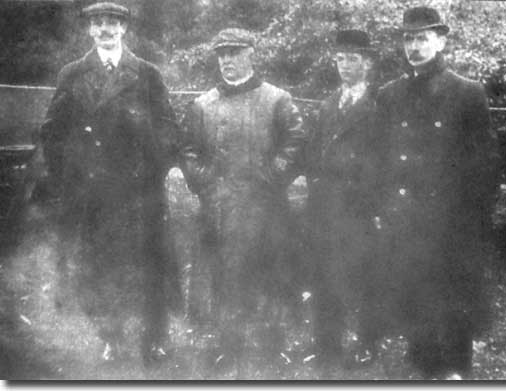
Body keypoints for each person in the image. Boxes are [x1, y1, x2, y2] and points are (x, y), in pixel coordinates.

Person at [40, 1, 182, 366]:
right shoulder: (72, 73)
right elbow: (52, 133)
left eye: (112, 23)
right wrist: (70, 176)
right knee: (100, 266)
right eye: (98, 23)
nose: (105, 29)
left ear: (124, 29)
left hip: (139, 191)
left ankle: (154, 340)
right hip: (93, 191)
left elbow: (169, 129)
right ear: (89, 30)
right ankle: (111, 339)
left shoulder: (147, 73)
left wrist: (152, 169)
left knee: (149, 265)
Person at [369, 6, 499, 379]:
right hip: (405, 222)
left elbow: (486, 168)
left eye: (422, 38)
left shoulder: (467, 93)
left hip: (450, 225)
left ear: (440, 41)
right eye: (408, 38)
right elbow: (378, 160)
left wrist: (472, 223)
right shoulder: (390, 95)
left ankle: (457, 370)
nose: (414, 46)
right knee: (413, 300)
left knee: (454, 302)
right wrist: (384, 208)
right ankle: (426, 367)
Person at [181, 28, 307, 373]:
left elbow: (296, 143)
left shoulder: (277, 99)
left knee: (272, 277)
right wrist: (205, 184)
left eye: (235, 53)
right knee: (223, 277)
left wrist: (271, 177)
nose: (228, 61)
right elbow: (189, 151)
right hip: (219, 208)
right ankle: (227, 345)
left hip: (266, 207)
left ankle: (272, 346)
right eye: (222, 54)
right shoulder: (203, 104)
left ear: (252, 53)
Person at [304, 29, 381, 370]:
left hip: (360, 206)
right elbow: (313, 152)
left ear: (367, 63)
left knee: (364, 277)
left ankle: (366, 343)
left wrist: (372, 201)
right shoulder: (328, 104)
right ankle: (327, 343)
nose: (345, 66)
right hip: (325, 206)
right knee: (324, 275)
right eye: (340, 59)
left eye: (352, 59)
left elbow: (385, 159)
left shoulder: (380, 105)